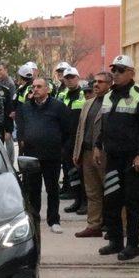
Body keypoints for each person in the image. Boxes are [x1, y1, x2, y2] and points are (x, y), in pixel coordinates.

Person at [95, 55, 139, 260]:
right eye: (114, 69)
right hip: (113, 158)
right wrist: (98, 145)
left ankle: (134, 244)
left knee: (132, 203)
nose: (115, 74)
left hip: (134, 161)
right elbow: (104, 125)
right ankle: (115, 241)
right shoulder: (109, 95)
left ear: (131, 73)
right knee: (112, 200)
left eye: (120, 70)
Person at [16, 77, 70, 234]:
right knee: (32, 190)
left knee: (52, 189)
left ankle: (54, 220)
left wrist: (62, 149)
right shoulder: (26, 107)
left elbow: (67, 130)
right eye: (34, 86)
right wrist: (22, 141)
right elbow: (20, 127)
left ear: (47, 89)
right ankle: (34, 219)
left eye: (39, 86)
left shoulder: (58, 107)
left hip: (52, 155)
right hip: (31, 156)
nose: (36, 89)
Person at [73, 72, 112, 237]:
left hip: (104, 153)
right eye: (95, 81)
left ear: (110, 85)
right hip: (87, 152)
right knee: (92, 191)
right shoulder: (88, 104)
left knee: (110, 190)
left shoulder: (112, 103)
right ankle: (94, 225)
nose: (96, 85)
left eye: (101, 82)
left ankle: (115, 226)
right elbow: (80, 130)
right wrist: (77, 152)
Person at [58, 67, 87, 215]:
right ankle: (77, 199)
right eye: (67, 78)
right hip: (66, 139)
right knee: (71, 173)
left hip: (80, 138)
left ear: (78, 78)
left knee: (82, 171)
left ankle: (85, 201)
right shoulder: (62, 95)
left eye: (72, 77)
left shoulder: (84, 94)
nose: (69, 80)